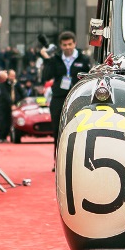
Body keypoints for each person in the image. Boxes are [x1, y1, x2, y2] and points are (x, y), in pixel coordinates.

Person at [41, 31, 91, 160]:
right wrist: (46, 60)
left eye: (70, 44)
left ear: (75, 43)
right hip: (59, 99)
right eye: (64, 45)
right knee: (58, 131)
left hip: (78, 98)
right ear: (60, 46)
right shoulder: (55, 59)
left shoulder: (84, 59)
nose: (67, 47)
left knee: (79, 130)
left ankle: (78, 160)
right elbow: (46, 77)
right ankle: (57, 161)